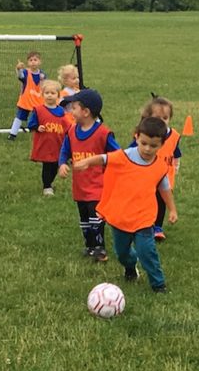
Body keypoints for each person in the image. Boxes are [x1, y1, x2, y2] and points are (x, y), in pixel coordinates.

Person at [74, 117, 177, 293]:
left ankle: (158, 285)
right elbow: (104, 158)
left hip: (144, 217)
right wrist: (87, 162)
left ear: (161, 145)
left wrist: (172, 209)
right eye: (143, 143)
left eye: (153, 146)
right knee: (122, 253)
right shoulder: (124, 156)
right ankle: (130, 267)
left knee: (147, 252)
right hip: (120, 216)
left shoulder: (160, 166)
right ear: (136, 137)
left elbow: (164, 187)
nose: (147, 149)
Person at [58, 89, 121, 261]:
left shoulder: (103, 133)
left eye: (74, 107)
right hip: (79, 186)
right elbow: (65, 150)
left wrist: (101, 163)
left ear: (85, 112)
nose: (71, 111)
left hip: (97, 186)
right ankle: (89, 246)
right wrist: (62, 163)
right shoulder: (72, 131)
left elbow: (118, 156)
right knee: (84, 219)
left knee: (96, 218)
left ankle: (100, 249)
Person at [130, 96, 182, 240]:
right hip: (145, 176)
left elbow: (176, 152)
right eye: (158, 117)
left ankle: (157, 227)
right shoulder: (142, 135)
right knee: (144, 200)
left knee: (161, 201)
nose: (162, 121)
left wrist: (176, 166)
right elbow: (130, 151)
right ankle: (140, 223)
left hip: (164, 176)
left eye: (165, 118)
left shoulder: (174, 135)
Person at [29, 79, 74, 196]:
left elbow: (68, 127)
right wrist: (37, 127)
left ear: (58, 96)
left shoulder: (61, 111)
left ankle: (50, 182)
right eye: (47, 93)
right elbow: (31, 124)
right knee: (47, 165)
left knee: (55, 165)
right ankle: (47, 186)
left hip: (57, 144)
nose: (49, 95)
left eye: (53, 93)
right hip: (45, 144)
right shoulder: (38, 110)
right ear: (43, 95)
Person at [9, 51, 45, 140]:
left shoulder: (42, 74)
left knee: (38, 118)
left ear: (40, 62)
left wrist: (43, 80)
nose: (33, 62)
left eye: (35, 60)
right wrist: (19, 69)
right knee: (19, 117)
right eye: (30, 60)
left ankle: (38, 133)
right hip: (26, 100)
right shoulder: (26, 72)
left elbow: (45, 86)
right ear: (27, 63)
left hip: (38, 101)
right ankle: (12, 134)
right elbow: (21, 77)